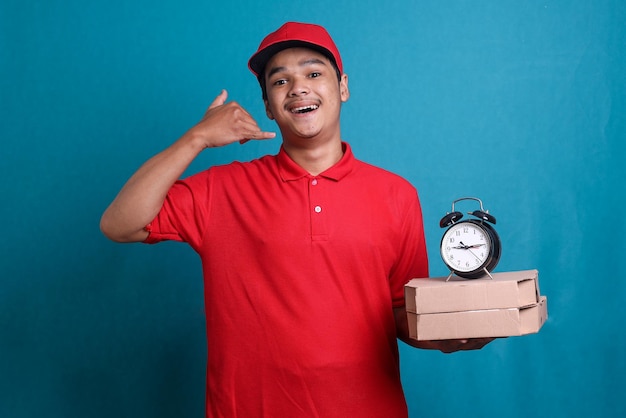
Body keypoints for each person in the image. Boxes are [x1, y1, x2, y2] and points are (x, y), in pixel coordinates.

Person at [100, 21, 493, 418]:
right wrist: (196, 138)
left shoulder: (397, 194)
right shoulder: (220, 190)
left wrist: (446, 336)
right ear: (269, 107)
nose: (298, 87)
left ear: (342, 87)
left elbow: (400, 311)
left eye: (313, 73)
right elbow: (120, 223)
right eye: (280, 81)